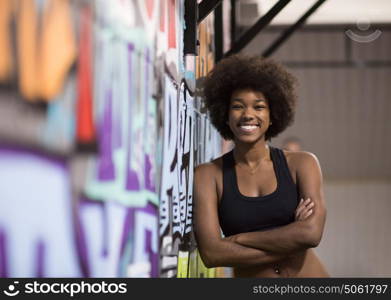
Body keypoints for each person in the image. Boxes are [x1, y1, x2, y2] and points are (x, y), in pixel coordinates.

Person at [193, 55, 329, 277]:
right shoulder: (208, 176)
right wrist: (292, 241)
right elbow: (212, 254)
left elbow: (312, 234)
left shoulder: (302, 164)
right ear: (225, 116)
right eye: (237, 107)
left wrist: (239, 239)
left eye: (259, 107)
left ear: (272, 115)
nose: (248, 114)